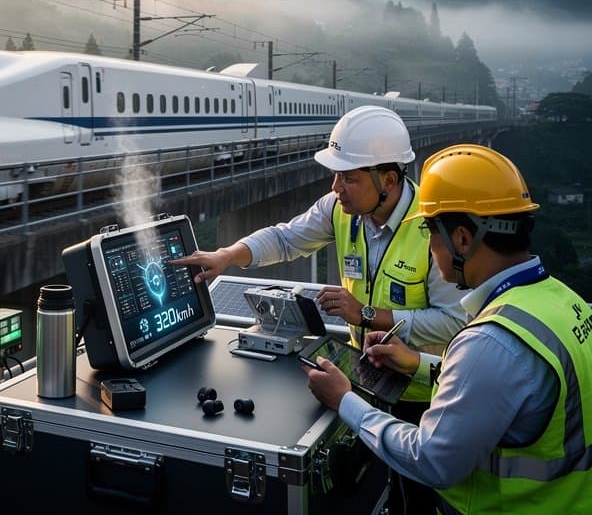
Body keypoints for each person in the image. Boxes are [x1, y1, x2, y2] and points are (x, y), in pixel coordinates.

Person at [171, 104, 466, 515]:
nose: (336, 186)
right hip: (366, 379)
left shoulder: (430, 229)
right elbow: (287, 238)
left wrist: (366, 314)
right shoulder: (341, 211)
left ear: (389, 180)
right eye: (336, 175)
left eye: (348, 177)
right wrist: (228, 254)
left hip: (423, 396)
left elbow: (455, 321)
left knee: (416, 502)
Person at [303, 144, 592, 514]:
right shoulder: (563, 301)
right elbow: (510, 390)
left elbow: (431, 460)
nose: (428, 245)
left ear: (462, 239)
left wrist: (345, 400)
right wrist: (420, 364)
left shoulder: (490, 342)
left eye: (429, 231)